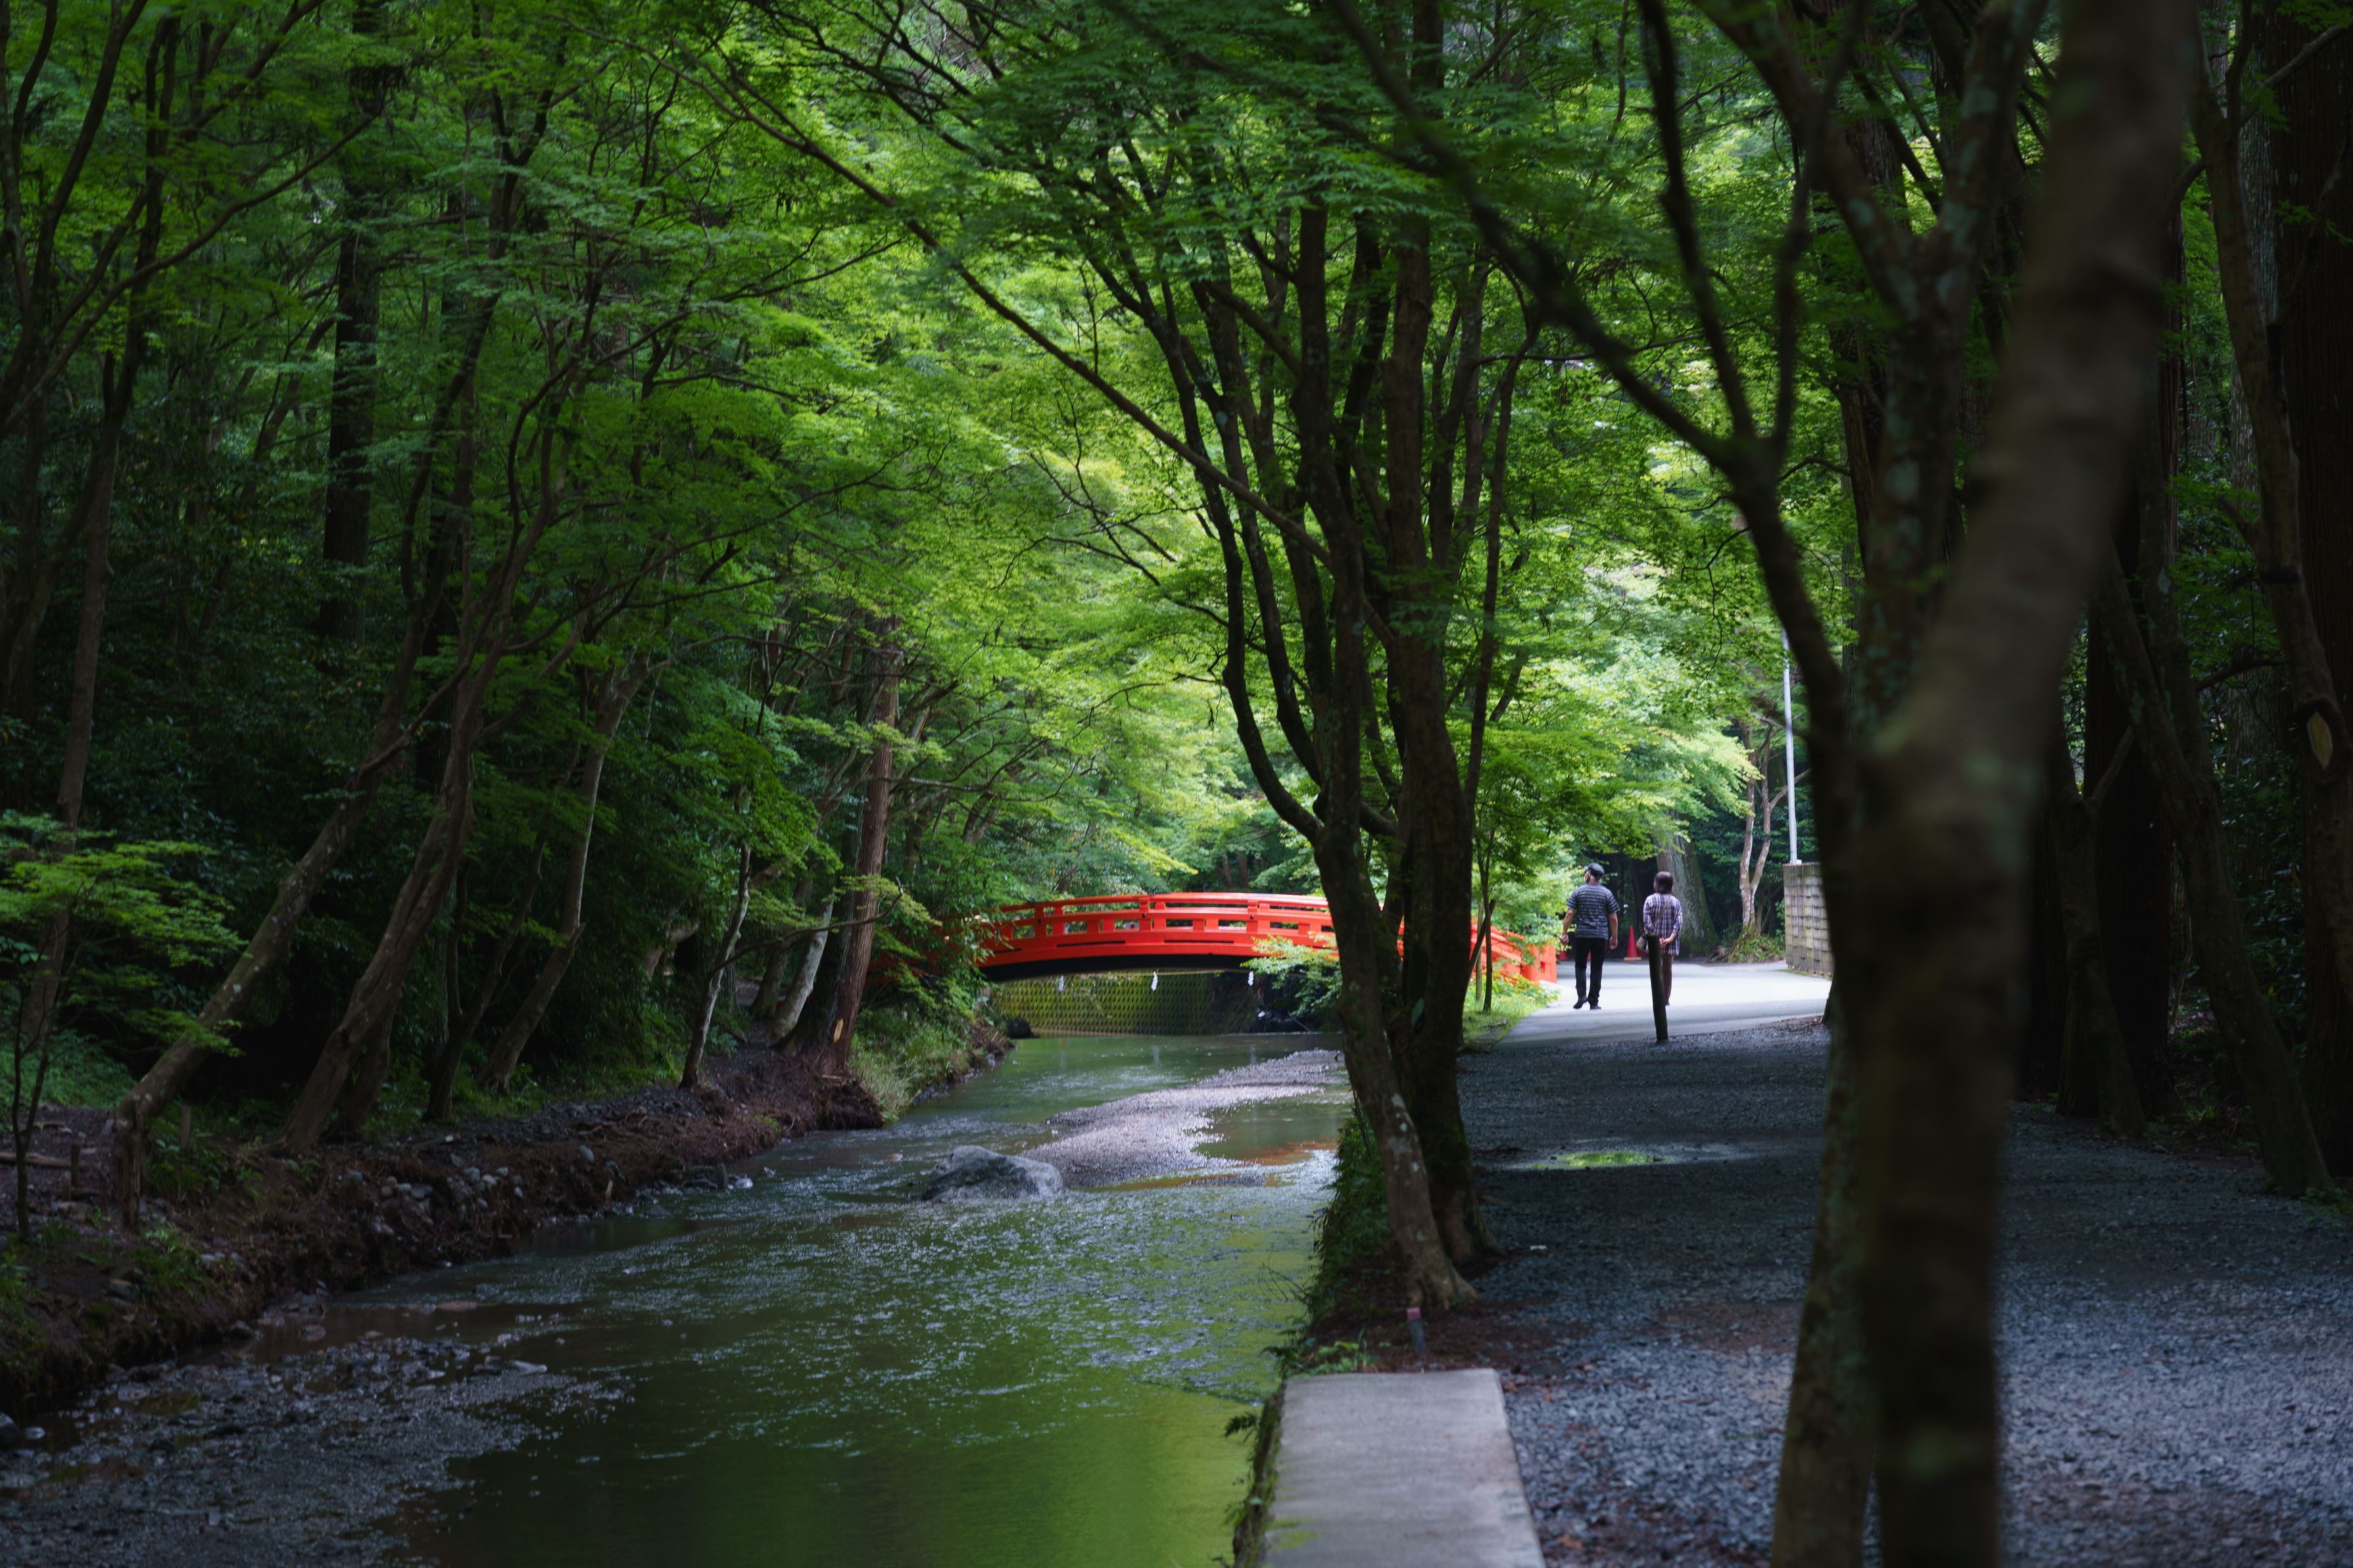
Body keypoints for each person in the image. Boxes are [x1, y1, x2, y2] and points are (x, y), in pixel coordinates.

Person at [1561, 863, 1619, 1009]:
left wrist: (1564, 933)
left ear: (1588, 874)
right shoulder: (1607, 893)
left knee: (1580, 965)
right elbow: (1613, 917)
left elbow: (1570, 913)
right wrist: (1614, 936)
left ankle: (1581, 996)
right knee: (1597, 968)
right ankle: (1594, 1002)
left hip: (1583, 935)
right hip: (1600, 936)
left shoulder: (1578, 892)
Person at [1642, 871, 1684, 1005]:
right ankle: (1666, 998)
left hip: (1653, 942)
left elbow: (1647, 922)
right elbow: (1679, 922)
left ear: (1656, 884)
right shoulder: (1675, 902)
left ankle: (1657, 997)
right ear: (1671, 885)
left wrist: (1657, 938)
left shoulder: (1650, 900)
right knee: (1667, 969)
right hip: (1670, 943)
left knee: (1655, 969)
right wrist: (1670, 938)